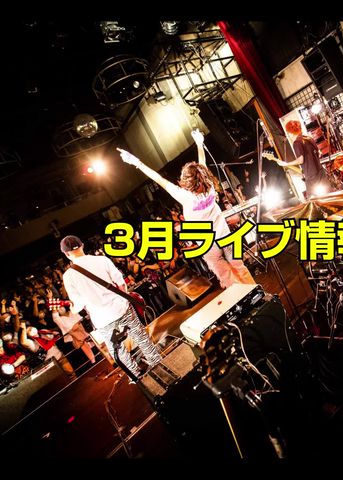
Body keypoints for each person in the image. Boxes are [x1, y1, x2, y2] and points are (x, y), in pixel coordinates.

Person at [117, 130, 256, 289]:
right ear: (203, 175)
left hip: (207, 243)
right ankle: (256, 293)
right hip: (225, 235)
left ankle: (244, 298)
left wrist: (137, 162)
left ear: (185, 180)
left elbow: (158, 178)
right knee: (239, 266)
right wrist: (199, 143)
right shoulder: (209, 186)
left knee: (225, 275)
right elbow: (202, 164)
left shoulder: (184, 196)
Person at [60, 235, 163, 379]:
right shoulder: (102, 260)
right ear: (82, 245)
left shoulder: (69, 276)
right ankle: (157, 362)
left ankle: (135, 375)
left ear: (66, 254)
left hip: (102, 319)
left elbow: (78, 305)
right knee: (140, 336)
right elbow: (121, 283)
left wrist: (73, 308)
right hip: (121, 308)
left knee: (118, 350)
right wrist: (122, 300)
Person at [278, 119, 334, 199]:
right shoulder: (309, 138)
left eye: (287, 132)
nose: (287, 135)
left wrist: (286, 164)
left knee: (313, 201)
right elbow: (319, 153)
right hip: (320, 172)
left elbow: (301, 160)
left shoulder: (297, 143)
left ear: (290, 132)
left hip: (311, 177)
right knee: (329, 197)